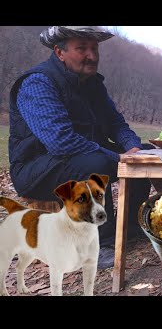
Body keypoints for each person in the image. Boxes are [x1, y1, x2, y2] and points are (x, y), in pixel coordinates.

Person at [8, 26, 154, 269]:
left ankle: (130, 228)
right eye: (82, 48)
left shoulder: (94, 85)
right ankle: (99, 244)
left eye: (94, 48)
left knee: (145, 156)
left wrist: (134, 149)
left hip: (79, 157)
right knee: (96, 164)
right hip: (36, 167)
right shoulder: (38, 83)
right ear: (59, 51)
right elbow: (60, 141)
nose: (92, 55)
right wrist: (119, 157)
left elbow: (116, 124)